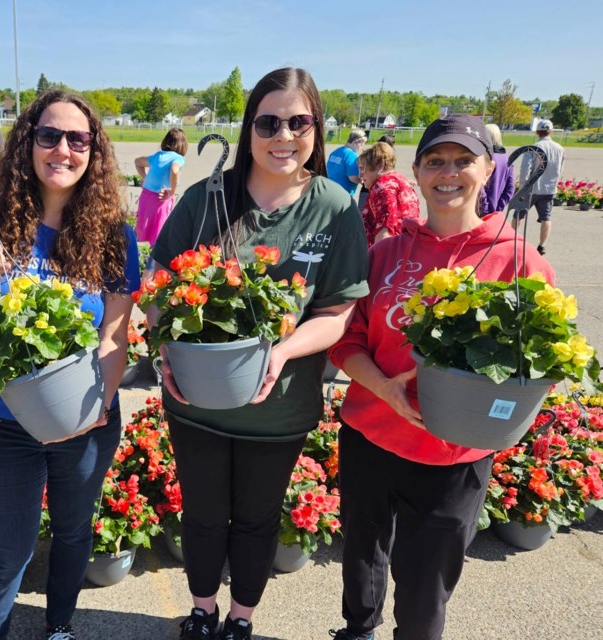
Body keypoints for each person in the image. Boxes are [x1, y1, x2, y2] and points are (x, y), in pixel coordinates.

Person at [149, 67, 369, 640]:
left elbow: (337, 313)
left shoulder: (336, 208)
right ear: (249, 129)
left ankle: (241, 620)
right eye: (269, 121)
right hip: (196, 401)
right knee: (200, 514)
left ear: (317, 130)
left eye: (299, 122)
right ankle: (202, 611)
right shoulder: (207, 199)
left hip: (280, 409)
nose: (284, 135)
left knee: (255, 520)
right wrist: (165, 347)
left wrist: (283, 350)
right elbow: (159, 279)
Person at [327, 114, 554, 640]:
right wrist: (383, 387)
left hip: (453, 454)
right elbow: (348, 338)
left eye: (462, 160)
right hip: (369, 435)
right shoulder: (385, 252)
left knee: (425, 586)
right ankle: (357, 631)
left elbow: (539, 366)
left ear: (488, 168)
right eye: (435, 161)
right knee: (362, 555)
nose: (447, 172)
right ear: (417, 171)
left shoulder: (516, 260)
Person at [0, 90, 139, 640]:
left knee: (73, 532)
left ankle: (59, 625)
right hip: (4, 423)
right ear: (28, 144)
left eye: (77, 138)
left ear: (93, 151)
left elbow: (114, 333)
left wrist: (96, 408)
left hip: (84, 420)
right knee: (7, 551)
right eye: (49, 135)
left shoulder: (113, 238)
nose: (63, 149)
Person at [513, 118, 564, 255]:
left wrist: (523, 185)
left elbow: (525, 169)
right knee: (546, 217)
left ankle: (511, 240)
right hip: (549, 188)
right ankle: (542, 245)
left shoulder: (534, 147)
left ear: (537, 132)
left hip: (532, 188)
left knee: (519, 214)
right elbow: (560, 168)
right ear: (551, 131)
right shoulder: (559, 148)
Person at [357, 141, 420, 246]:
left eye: (363, 169)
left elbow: (386, 229)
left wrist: (379, 259)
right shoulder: (401, 180)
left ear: (379, 166)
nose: (361, 175)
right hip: (405, 250)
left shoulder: (382, 187)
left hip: (387, 253)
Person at [133, 127, 187, 245]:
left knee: (143, 225)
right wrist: (172, 191)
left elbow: (137, 161)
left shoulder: (158, 156)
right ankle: (155, 256)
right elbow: (174, 170)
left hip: (146, 196)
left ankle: (141, 251)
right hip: (161, 198)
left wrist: (145, 177)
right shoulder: (178, 158)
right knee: (160, 228)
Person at [481, 123, 514, 214]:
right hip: (496, 210)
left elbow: (480, 187)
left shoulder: (486, 158)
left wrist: (485, 209)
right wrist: (498, 208)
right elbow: (510, 189)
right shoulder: (507, 158)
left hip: (480, 210)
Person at [326, 129, 366, 197]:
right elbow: (353, 178)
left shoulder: (335, 152)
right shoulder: (351, 156)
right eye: (362, 144)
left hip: (330, 189)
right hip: (343, 194)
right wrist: (363, 181)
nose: (362, 148)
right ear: (356, 142)